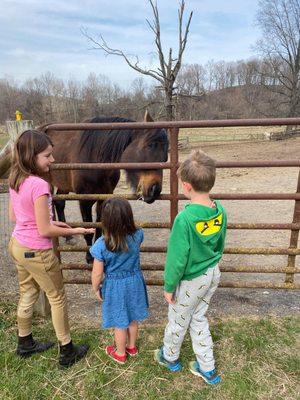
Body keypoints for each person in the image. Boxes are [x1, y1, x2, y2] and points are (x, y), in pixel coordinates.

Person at [8, 129, 95, 368]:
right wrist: (75, 231)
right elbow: (44, 231)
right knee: (57, 297)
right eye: (47, 156)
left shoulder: (15, 178)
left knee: (27, 292)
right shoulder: (39, 185)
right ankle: (67, 350)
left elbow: (16, 216)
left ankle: (24, 342)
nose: (53, 160)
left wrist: (53, 222)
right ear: (31, 156)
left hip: (18, 245)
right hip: (38, 251)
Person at [154, 150, 227, 385]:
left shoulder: (184, 220)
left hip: (192, 280)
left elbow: (176, 259)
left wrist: (169, 286)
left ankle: (169, 356)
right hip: (212, 272)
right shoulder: (219, 211)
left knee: (178, 318)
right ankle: (207, 368)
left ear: (186, 186)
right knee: (198, 317)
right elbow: (220, 242)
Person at [90, 197, 149, 364]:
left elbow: (97, 273)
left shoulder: (102, 245)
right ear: (129, 216)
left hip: (115, 286)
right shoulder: (138, 235)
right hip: (135, 281)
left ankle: (120, 353)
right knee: (132, 318)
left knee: (119, 321)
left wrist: (96, 288)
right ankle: (132, 346)